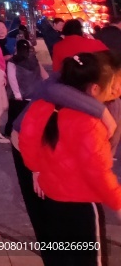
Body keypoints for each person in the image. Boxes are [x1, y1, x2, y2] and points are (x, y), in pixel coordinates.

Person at [18, 52, 121, 258]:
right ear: (94, 89)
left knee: (64, 256)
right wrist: (118, 203)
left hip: (52, 198)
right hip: (82, 206)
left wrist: (35, 169)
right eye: (110, 87)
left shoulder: (42, 105)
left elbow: (26, 140)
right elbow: (98, 172)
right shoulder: (90, 123)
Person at [5, 38, 47, 137]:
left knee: (14, 115)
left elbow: (12, 78)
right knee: (30, 116)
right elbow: (42, 75)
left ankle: (11, 131)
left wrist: (17, 93)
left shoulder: (13, 61)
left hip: (19, 95)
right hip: (33, 93)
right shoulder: (34, 60)